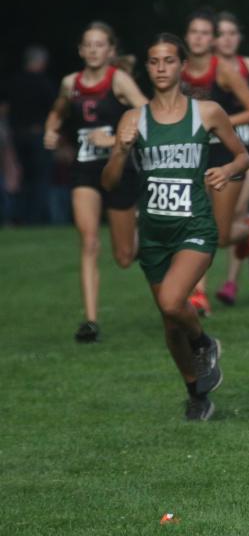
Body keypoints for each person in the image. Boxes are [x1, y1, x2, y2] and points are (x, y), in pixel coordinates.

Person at [102, 33, 249, 421]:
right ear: (147, 68)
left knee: (172, 301)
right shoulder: (134, 119)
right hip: (152, 232)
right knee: (169, 320)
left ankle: (204, 343)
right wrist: (119, 149)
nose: (162, 67)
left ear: (182, 66)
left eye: (169, 60)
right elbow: (109, 182)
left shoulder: (206, 113)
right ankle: (195, 391)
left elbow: (243, 157)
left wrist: (228, 169)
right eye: (154, 61)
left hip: (195, 226)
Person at [42, 22, 149, 342]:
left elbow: (151, 115)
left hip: (118, 169)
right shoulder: (69, 83)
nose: (93, 50)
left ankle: (145, 231)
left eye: (99, 44)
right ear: (80, 50)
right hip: (85, 171)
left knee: (124, 257)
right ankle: (90, 321)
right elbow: (57, 113)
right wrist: (51, 130)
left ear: (110, 50)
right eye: (88, 44)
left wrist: (115, 139)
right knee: (88, 242)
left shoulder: (119, 80)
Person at [180, 9, 249, 315]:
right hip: (193, 155)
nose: (199, 38)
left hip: (225, 156)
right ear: (186, 36)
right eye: (194, 32)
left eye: (205, 32)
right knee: (195, 223)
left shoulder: (223, 71)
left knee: (223, 235)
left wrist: (218, 123)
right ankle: (198, 294)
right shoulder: (178, 68)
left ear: (213, 39)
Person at [212, 11, 249, 306]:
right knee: (215, 219)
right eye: (221, 33)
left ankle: (230, 283)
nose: (227, 39)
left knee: (238, 210)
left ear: (240, 37)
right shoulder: (207, 70)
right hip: (219, 149)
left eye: (232, 33)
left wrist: (237, 117)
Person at [3, 45, 57, 224]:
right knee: (40, 178)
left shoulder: (13, 81)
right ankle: (34, 218)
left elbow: (5, 109)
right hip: (37, 135)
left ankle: (17, 216)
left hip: (16, 136)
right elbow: (55, 111)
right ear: (40, 62)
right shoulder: (43, 83)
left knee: (19, 177)